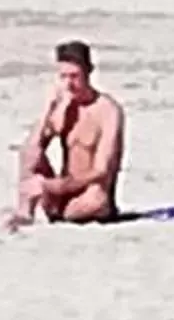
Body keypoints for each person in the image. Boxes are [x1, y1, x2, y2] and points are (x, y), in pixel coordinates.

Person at [7, 40, 124, 228]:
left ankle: (64, 212)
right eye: (63, 77)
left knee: (95, 198)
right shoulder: (66, 106)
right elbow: (31, 149)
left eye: (75, 76)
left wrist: (53, 186)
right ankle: (25, 212)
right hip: (63, 191)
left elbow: (101, 171)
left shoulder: (108, 111)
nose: (69, 84)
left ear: (89, 72)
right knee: (30, 153)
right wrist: (48, 110)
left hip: (89, 193)